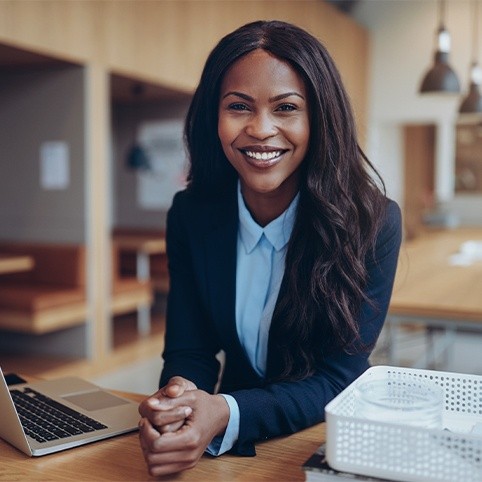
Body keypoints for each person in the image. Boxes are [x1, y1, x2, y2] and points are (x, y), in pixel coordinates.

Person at [138, 19, 402, 477]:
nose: (261, 129)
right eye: (239, 106)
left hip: (317, 442)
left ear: (318, 119)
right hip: (226, 446)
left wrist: (224, 411)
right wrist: (178, 403)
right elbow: (190, 348)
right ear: (213, 118)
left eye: (286, 108)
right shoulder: (191, 214)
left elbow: (339, 377)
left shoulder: (371, 223)